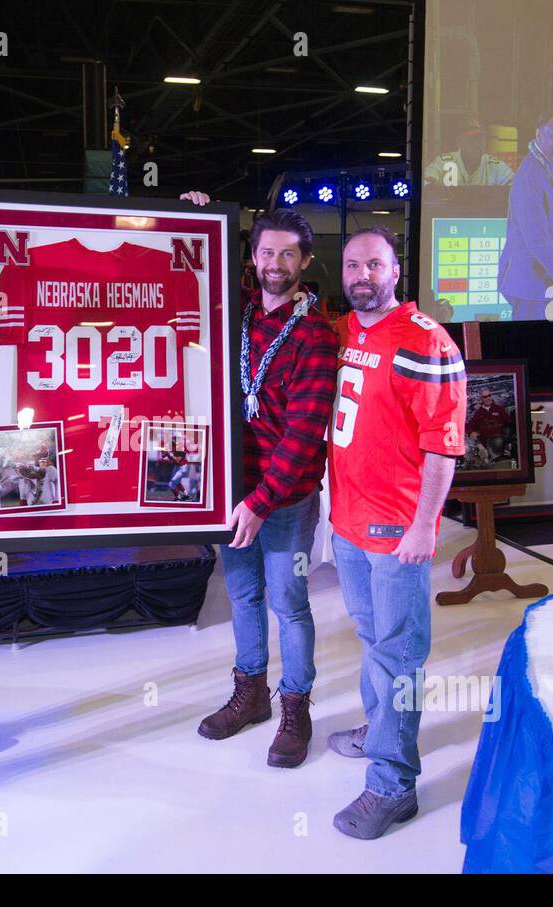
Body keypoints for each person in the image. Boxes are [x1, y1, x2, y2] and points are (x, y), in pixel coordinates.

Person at [181, 192, 338, 769]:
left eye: (288, 254)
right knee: (243, 596)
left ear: (304, 262)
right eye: (266, 251)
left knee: (290, 604)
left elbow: (303, 438)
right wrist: (199, 214)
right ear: (252, 256)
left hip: (285, 499)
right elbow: (190, 269)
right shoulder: (237, 311)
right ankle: (250, 694)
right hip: (232, 490)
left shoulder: (316, 335)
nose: (276, 263)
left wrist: (260, 502)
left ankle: (295, 705)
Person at [325, 226, 466, 839]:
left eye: (374, 265)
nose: (362, 275)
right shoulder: (345, 330)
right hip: (348, 523)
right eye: (353, 265)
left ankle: (392, 784)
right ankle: (378, 726)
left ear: (395, 271)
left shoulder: (425, 341)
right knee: (372, 638)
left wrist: (424, 526)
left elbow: (443, 445)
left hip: (395, 528)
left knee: (399, 654)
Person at [498, 113, 553, 320]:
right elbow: (536, 238)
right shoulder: (530, 174)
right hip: (530, 284)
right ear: (538, 135)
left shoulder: (552, 167)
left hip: (542, 283)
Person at [423, 120, 514, 187]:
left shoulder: (495, 165)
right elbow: (426, 182)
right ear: (459, 142)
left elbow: (516, 186)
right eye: (472, 139)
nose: (478, 144)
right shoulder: (444, 162)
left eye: (481, 138)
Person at [470, 386, 511, 458]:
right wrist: (472, 432)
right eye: (485, 397)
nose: (488, 398)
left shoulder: (499, 409)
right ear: (481, 399)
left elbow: (509, 422)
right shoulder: (478, 413)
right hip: (486, 447)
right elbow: (471, 427)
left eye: (489, 395)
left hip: (501, 444)